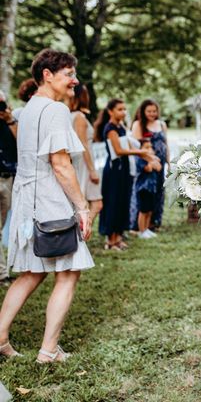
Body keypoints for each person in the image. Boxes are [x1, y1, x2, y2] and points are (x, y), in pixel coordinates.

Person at [0, 48, 93, 362]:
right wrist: (82, 207)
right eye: (69, 74)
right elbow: (61, 165)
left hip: (26, 200)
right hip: (50, 200)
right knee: (68, 272)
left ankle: (0, 338)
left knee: (30, 272)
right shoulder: (54, 110)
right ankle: (48, 350)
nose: (75, 81)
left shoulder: (28, 109)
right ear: (47, 75)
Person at [95, 99, 154, 250]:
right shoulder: (110, 129)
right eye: (120, 109)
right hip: (114, 170)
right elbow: (119, 151)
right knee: (113, 203)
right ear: (110, 111)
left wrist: (146, 156)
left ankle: (119, 237)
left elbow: (128, 146)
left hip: (124, 169)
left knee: (123, 202)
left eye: (124, 109)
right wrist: (141, 151)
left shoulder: (121, 126)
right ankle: (111, 240)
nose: (123, 112)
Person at [131, 100, 169, 230]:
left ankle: (154, 222)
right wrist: (149, 161)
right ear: (143, 111)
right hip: (147, 164)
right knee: (145, 193)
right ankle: (138, 225)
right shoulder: (138, 124)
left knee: (158, 191)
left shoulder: (162, 124)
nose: (152, 114)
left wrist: (168, 163)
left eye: (154, 111)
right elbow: (136, 147)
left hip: (160, 163)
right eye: (149, 111)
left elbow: (166, 144)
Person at [68, 85, 103, 223]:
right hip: (84, 163)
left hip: (82, 161)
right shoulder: (79, 117)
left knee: (91, 203)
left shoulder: (71, 115)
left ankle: (80, 237)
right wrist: (92, 170)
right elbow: (83, 145)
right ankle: (80, 236)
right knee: (94, 204)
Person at [0, 90, 17, 285]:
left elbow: (22, 143)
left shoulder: (9, 122)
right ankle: (2, 274)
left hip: (7, 178)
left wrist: (10, 119)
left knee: (3, 226)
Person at [134, 138, 162, 239]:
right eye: (146, 147)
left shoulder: (150, 158)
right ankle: (141, 231)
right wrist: (151, 159)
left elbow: (158, 167)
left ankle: (146, 229)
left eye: (150, 147)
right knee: (143, 210)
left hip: (152, 188)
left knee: (150, 210)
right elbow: (149, 168)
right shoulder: (139, 159)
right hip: (143, 188)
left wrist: (152, 159)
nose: (149, 149)